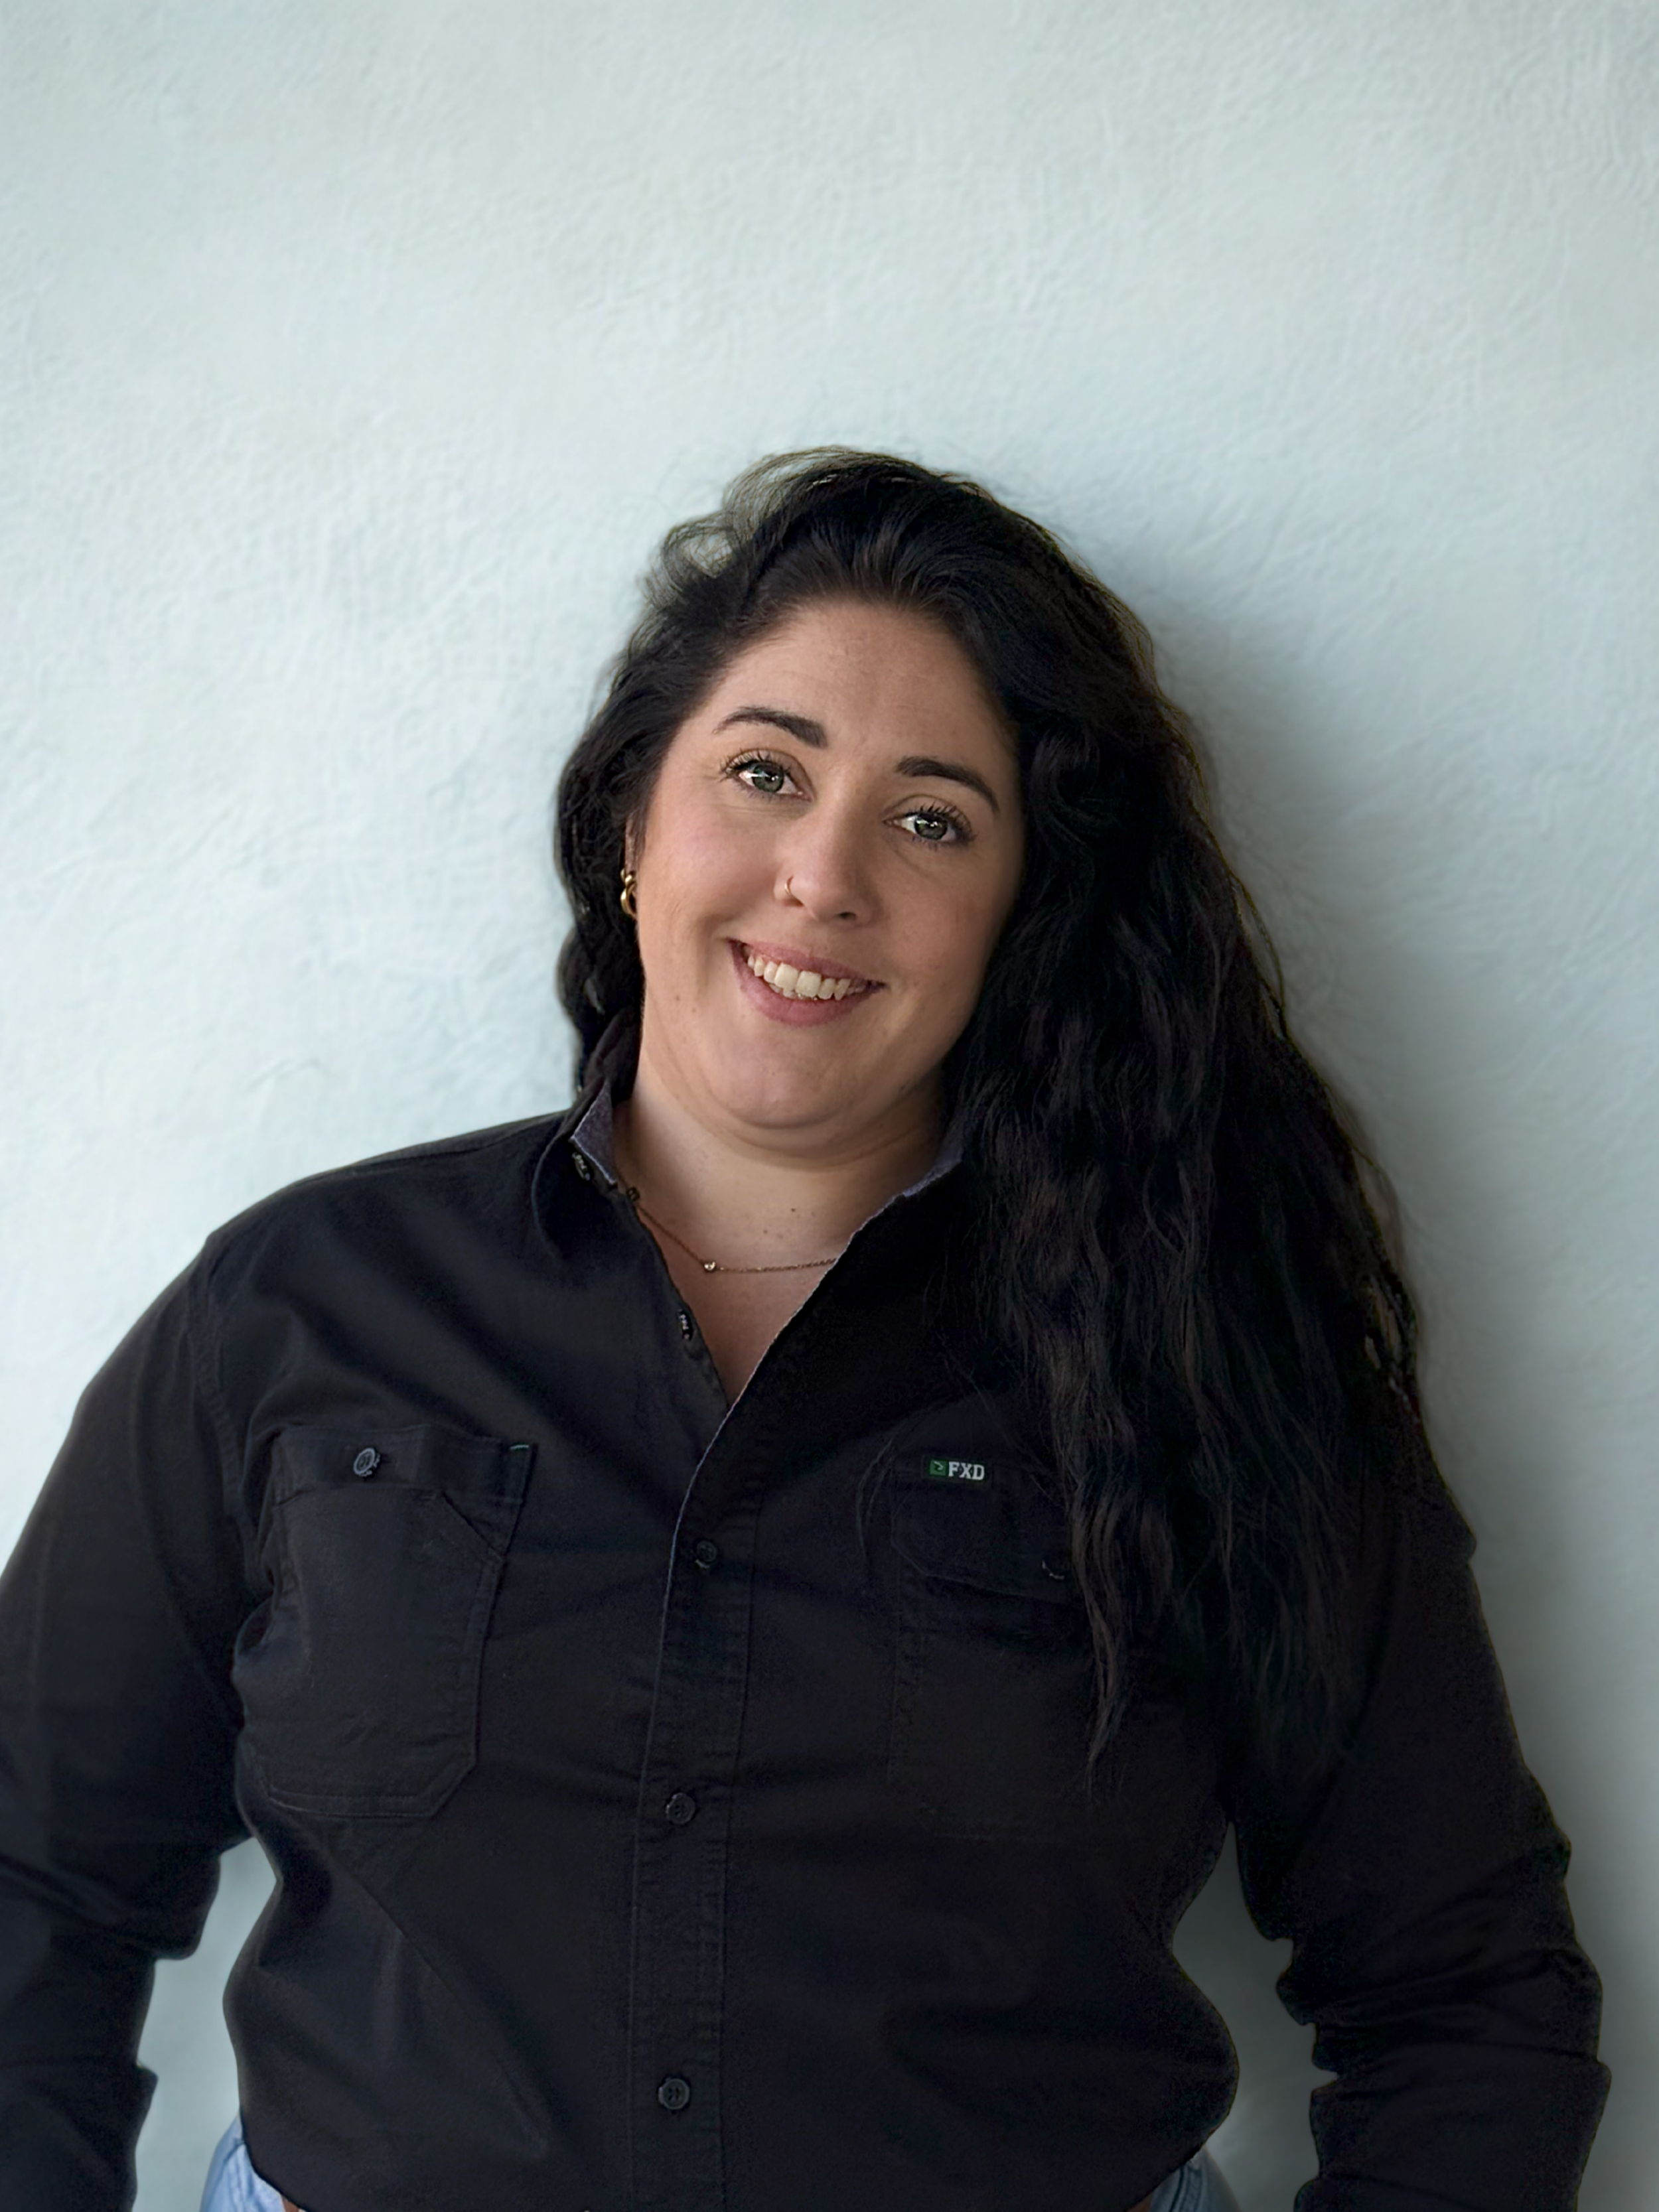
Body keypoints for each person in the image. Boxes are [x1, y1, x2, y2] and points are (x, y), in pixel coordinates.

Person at [0, 449, 1607, 2212]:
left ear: (1018, 915)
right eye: (763, 771)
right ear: (630, 826)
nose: (821, 875)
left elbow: (1462, 1987)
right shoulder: (300, 1307)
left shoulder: (1208, 1353)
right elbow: (33, 1878)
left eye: (932, 819)